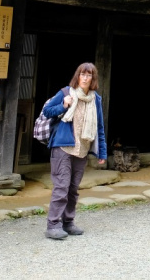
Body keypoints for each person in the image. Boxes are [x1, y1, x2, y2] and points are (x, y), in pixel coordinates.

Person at [42, 62, 107, 240]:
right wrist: (63, 105)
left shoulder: (95, 99)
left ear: (93, 79)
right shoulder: (66, 93)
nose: (85, 78)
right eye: (82, 74)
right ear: (77, 76)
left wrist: (102, 152)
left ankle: (68, 222)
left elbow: (99, 127)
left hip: (82, 149)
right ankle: (53, 225)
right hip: (63, 147)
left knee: (73, 188)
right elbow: (47, 111)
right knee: (61, 186)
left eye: (89, 75)